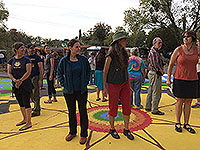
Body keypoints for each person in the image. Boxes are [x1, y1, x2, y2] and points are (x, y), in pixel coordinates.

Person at [57, 39, 90, 144]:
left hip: (81, 91)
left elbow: (88, 72)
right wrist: (64, 84)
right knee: (71, 112)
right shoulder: (64, 61)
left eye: (79, 47)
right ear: (70, 48)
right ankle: (72, 132)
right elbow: (59, 73)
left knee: (83, 112)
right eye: (77, 47)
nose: (79, 49)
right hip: (69, 91)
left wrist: (85, 82)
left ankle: (84, 134)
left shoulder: (83, 60)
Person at [103, 31, 134, 140]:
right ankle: (112, 128)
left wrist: (128, 84)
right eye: (124, 40)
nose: (126, 42)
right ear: (118, 42)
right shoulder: (110, 55)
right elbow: (105, 72)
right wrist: (104, 88)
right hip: (113, 84)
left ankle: (126, 129)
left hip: (124, 83)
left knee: (127, 106)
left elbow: (126, 70)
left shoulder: (125, 53)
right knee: (113, 107)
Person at [166, 30, 199, 134]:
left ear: (192, 39)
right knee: (179, 101)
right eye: (184, 37)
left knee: (189, 101)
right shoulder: (178, 49)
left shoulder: (197, 50)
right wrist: (168, 78)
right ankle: (178, 122)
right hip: (179, 78)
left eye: (188, 37)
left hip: (192, 79)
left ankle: (186, 123)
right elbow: (171, 64)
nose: (185, 38)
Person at [7, 42, 33, 131]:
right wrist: (15, 80)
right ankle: (24, 119)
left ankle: (29, 122)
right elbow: (9, 72)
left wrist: (21, 80)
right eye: (21, 48)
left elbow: (28, 72)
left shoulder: (27, 60)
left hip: (25, 84)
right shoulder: (11, 61)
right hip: (16, 85)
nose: (23, 49)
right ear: (16, 50)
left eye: (24, 47)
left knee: (26, 103)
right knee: (20, 103)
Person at [145, 37, 165, 115]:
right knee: (156, 92)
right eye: (159, 43)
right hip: (155, 73)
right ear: (154, 43)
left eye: (161, 43)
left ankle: (148, 106)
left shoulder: (155, 52)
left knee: (151, 90)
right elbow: (155, 65)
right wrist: (161, 71)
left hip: (153, 73)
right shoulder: (154, 52)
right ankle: (155, 109)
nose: (160, 44)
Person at [25, 44, 43, 117]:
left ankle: (36, 110)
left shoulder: (37, 57)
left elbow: (41, 68)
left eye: (33, 48)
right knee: (30, 94)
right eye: (30, 48)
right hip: (27, 77)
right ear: (27, 49)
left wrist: (40, 79)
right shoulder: (25, 57)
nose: (32, 50)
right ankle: (36, 106)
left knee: (36, 93)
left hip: (35, 76)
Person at [192, 36, 200, 108]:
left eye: (198, 41)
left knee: (198, 87)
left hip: (199, 71)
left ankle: (198, 101)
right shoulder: (197, 50)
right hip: (197, 70)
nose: (197, 42)